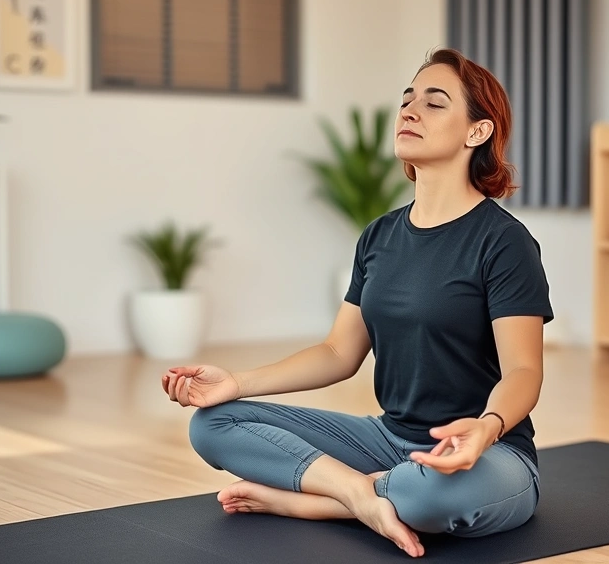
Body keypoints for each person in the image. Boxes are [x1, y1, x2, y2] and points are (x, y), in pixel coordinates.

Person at [163, 47, 553, 559]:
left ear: (476, 132)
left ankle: (310, 502)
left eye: (434, 104)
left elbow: (524, 370)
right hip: (387, 438)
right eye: (407, 100)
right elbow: (337, 353)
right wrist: (236, 383)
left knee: (428, 491)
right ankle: (356, 493)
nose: (410, 111)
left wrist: (486, 428)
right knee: (212, 424)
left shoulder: (503, 242)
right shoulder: (380, 236)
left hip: (489, 457)